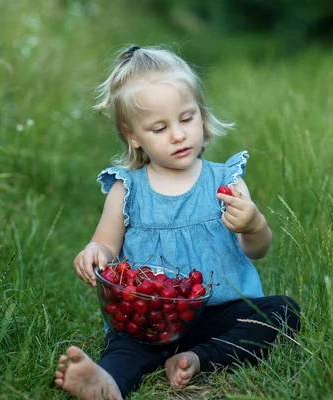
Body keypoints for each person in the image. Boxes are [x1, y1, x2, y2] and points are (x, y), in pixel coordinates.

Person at [54, 45, 301, 399]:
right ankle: (105, 383)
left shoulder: (226, 181)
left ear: (201, 115)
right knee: (126, 347)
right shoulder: (127, 189)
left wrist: (253, 224)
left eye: (186, 119)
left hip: (220, 314)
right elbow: (105, 245)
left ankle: (200, 357)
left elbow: (257, 249)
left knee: (282, 311)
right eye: (159, 128)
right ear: (133, 136)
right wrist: (94, 252)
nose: (178, 134)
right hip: (150, 319)